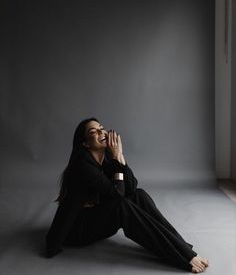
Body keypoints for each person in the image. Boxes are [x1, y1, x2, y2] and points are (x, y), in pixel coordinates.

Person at [45, 117, 209, 273]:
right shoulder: (82, 164)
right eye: (93, 132)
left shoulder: (106, 156)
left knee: (140, 195)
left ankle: (183, 248)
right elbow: (118, 194)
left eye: (102, 128)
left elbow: (131, 187)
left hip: (94, 216)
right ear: (85, 143)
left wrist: (120, 157)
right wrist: (117, 162)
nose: (101, 132)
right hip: (78, 230)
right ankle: (182, 257)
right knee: (121, 206)